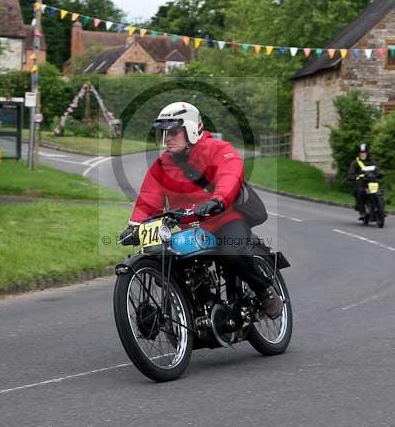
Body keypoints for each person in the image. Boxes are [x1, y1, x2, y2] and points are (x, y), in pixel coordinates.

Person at [118, 101, 283, 319]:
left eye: (174, 131)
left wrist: (218, 200)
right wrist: (135, 227)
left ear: (192, 130)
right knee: (166, 260)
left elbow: (230, 176)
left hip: (226, 219)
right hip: (191, 229)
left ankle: (265, 291)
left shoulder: (219, 150)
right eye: (164, 132)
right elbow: (148, 199)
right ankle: (194, 310)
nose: (167, 138)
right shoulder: (161, 167)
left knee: (233, 252)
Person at [347, 143, 380, 219]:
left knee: (379, 193)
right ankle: (362, 211)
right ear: (358, 154)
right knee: (360, 192)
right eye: (361, 153)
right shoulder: (355, 163)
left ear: (367, 153)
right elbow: (350, 173)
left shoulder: (372, 161)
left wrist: (379, 173)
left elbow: (377, 170)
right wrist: (353, 177)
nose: (362, 154)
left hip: (372, 182)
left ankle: (380, 208)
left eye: (364, 153)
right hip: (361, 183)